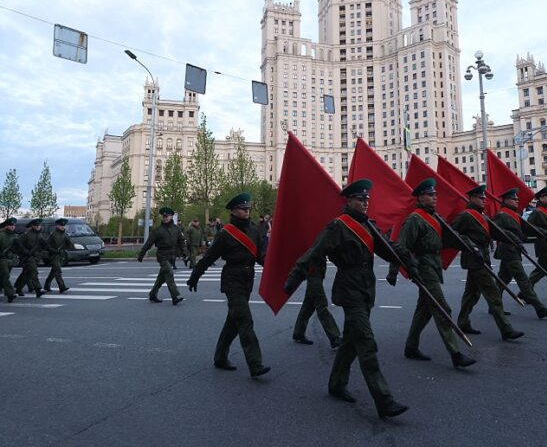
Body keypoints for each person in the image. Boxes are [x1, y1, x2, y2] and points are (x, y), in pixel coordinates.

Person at [284, 179, 413, 419]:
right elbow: (315, 252)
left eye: (367, 199)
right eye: (360, 199)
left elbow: (389, 248)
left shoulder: (368, 225)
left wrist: (410, 264)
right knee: (366, 342)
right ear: (349, 200)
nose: (365, 203)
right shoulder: (339, 227)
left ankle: (336, 383)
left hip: (366, 289)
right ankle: (384, 400)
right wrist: (293, 279)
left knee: (351, 341)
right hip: (349, 290)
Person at [388, 178, 476, 368]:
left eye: (435, 195)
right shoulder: (415, 220)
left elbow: (453, 237)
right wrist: (393, 271)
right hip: (424, 268)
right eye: (430, 195)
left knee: (425, 310)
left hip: (434, 266)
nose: (434, 198)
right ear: (420, 198)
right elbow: (400, 246)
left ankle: (411, 347)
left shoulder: (435, 217)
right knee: (442, 309)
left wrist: (471, 247)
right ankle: (455, 354)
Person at [188, 193, 270, 378]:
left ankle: (220, 356)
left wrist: (276, 269)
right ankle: (255, 363)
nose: (247, 211)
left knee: (233, 321)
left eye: (248, 208)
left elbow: (260, 257)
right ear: (233, 211)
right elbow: (209, 256)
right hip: (232, 278)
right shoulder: (227, 233)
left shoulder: (254, 230)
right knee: (245, 319)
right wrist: (195, 275)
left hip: (248, 277)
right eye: (243, 208)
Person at [452, 185, 524, 340]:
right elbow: (453, 233)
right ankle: (506, 329)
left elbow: (498, 231)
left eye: (484, 197)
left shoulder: (482, 216)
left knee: (472, 294)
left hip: (483, 257)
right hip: (474, 259)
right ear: (472, 198)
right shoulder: (465, 216)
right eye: (480, 198)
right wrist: (470, 245)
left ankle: (463, 322)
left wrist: (515, 240)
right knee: (493, 293)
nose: (484, 200)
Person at [492, 189, 547, 319]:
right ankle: (539, 308)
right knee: (523, 280)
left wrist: (544, 234)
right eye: (514, 199)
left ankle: (494, 305)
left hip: (513, 250)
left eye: (517, 199)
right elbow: (496, 231)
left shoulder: (513, 214)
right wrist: (514, 239)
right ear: (506, 200)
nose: (517, 201)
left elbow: (528, 228)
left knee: (503, 280)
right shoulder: (502, 215)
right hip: (508, 250)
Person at [291, 254, 342, 349]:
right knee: (321, 305)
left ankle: (298, 333)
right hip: (313, 272)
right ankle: (334, 338)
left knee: (308, 305)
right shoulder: (312, 244)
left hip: (315, 272)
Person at [137, 207, 185, 305]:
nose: (165, 218)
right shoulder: (158, 231)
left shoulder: (176, 229)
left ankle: (152, 294)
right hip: (162, 255)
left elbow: (181, 242)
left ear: (171, 217)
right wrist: (141, 254)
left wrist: (185, 253)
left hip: (172, 256)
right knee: (169, 273)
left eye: (167, 216)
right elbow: (148, 243)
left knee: (161, 277)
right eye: (164, 216)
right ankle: (175, 296)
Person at [14, 218, 46, 298]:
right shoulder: (26, 235)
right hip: (28, 257)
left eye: (39, 225)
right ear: (32, 226)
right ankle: (38, 290)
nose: (38, 226)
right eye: (36, 225)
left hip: (36, 257)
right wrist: (25, 252)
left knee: (26, 274)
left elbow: (44, 246)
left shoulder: (40, 234)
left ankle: (18, 288)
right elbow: (18, 244)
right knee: (34, 272)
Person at [44, 218, 71, 293]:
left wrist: (68, 242)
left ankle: (46, 285)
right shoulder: (53, 234)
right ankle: (62, 287)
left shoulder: (65, 234)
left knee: (54, 271)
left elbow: (69, 245)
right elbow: (47, 245)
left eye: (63, 226)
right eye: (61, 225)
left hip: (61, 255)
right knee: (58, 271)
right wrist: (53, 250)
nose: (62, 227)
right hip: (54, 255)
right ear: (57, 226)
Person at [0, 217, 19, 302]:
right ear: (6, 226)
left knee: (2, 277)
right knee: (5, 276)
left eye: (14, 225)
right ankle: (10, 294)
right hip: (2, 259)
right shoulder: (1, 235)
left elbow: (18, 248)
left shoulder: (15, 236)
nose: (12, 227)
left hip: (11, 259)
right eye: (10, 225)